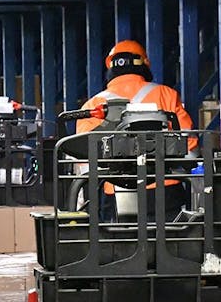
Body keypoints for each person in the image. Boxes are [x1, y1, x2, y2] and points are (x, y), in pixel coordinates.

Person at [76, 39, 197, 220]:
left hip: (116, 192)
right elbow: (190, 145)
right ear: (144, 64)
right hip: (166, 189)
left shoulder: (93, 105)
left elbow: (84, 154)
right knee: (173, 242)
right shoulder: (166, 95)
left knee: (121, 244)